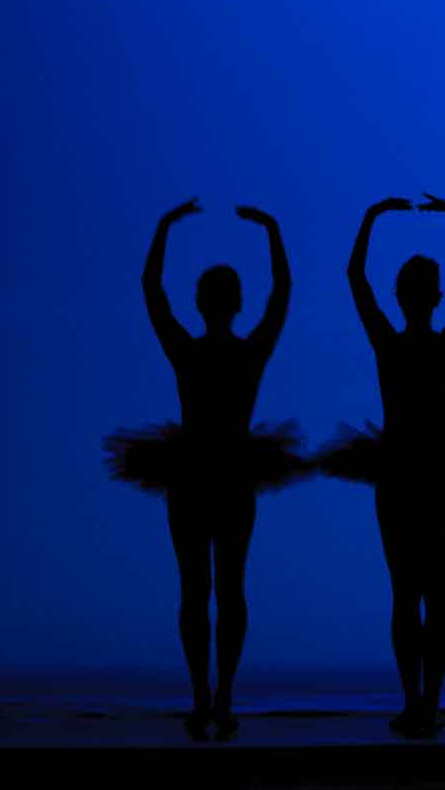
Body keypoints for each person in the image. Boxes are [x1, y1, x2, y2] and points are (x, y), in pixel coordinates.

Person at [106, 198, 311, 740]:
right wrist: (272, 232)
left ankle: (206, 696)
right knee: (227, 587)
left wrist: (164, 228)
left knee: (197, 589)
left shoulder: (191, 350)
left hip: (198, 477)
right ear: (235, 302)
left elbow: (152, 290)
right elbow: (282, 295)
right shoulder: (246, 351)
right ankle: (219, 696)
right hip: (224, 477)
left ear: (201, 302)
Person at [317, 194, 445, 738]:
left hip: (406, 470)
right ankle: (427, 701)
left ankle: (418, 701)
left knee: (407, 591)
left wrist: (372, 217)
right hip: (431, 471)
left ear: (405, 296)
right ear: (434, 296)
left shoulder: (393, 341)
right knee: (434, 591)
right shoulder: (443, 340)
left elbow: (356, 278)